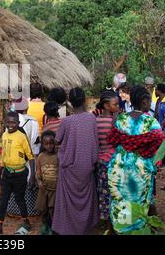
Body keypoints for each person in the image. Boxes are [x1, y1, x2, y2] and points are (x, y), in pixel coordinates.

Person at [107, 86, 165, 234]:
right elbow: (160, 144)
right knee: (139, 200)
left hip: (119, 167)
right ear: (145, 101)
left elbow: (112, 140)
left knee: (121, 200)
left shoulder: (121, 119)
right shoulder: (151, 122)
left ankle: (122, 229)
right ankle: (138, 229)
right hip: (140, 169)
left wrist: (128, 144)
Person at [52, 87, 99, 235]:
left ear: (70, 102)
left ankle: (68, 228)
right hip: (87, 165)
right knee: (85, 199)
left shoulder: (66, 121)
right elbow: (94, 141)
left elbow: (57, 140)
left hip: (70, 167)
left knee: (68, 202)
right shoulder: (91, 118)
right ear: (84, 100)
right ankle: (85, 226)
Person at [0, 112, 35, 235]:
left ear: (18, 124)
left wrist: (33, 176)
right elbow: (4, 155)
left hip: (20, 174)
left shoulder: (21, 137)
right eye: (8, 122)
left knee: (20, 199)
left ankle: (26, 222)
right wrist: (0, 171)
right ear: (5, 122)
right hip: (7, 174)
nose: (10, 125)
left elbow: (30, 156)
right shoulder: (4, 135)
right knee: (3, 200)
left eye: (13, 122)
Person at [8, 96, 39, 218]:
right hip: (30, 157)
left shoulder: (12, 121)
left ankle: (14, 210)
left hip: (15, 158)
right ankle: (30, 210)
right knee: (29, 179)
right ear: (27, 107)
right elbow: (36, 143)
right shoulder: (33, 121)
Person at [94, 90, 119, 234]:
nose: (117, 107)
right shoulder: (116, 121)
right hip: (115, 162)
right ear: (105, 105)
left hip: (101, 162)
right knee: (117, 192)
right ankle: (116, 224)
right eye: (114, 104)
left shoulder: (95, 121)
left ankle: (106, 224)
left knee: (104, 193)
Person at [35, 130, 59, 235]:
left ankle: (54, 228)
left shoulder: (58, 156)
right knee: (43, 209)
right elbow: (38, 172)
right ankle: (45, 226)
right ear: (43, 144)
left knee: (52, 209)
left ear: (55, 143)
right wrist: (39, 181)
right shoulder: (40, 157)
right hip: (44, 189)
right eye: (46, 144)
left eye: (51, 143)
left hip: (55, 189)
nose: (49, 146)